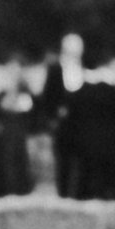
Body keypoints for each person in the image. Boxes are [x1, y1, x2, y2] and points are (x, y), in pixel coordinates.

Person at [71, 59, 115, 201]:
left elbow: (72, 118)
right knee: (113, 183)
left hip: (87, 143)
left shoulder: (79, 93)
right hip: (112, 142)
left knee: (89, 179)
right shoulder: (111, 91)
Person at [0, 60, 40, 196]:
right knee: (6, 164)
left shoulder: (27, 93)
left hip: (20, 135)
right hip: (5, 136)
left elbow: (31, 114)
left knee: (19, 164)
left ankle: (20, 191)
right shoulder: (1, 94)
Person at [48, 33, 89, 197]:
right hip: (62, 126)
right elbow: (48, 97)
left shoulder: (85, 70)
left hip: (82, 125)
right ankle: (63, 194)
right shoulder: (55, 70)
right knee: (63, 162)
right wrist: (54, 118)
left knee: (81, 161)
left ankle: (79, 194)